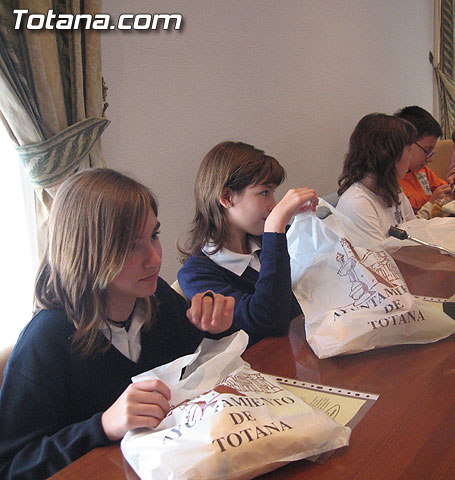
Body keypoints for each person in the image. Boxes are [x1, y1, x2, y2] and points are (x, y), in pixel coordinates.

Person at [0, 168, 234, 478]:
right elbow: (13, 466)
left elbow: (200, 376)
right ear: (87, 252)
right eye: (130, 246)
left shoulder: (155, 298)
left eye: (154, 235)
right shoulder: (46, 339)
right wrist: (101, 426)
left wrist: (218, 330)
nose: (153, 258)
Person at [178, 141, 317, 347]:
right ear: (227, 197)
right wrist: (275, 227)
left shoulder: (268, 241)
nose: (273, 205)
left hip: (305, 350)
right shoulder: (197, 275)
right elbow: (270, 322)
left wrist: (302, 229)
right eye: (264, 193)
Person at [336, 113, 417, 243]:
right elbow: (383, 258)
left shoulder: (392, 189)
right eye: (409, 150)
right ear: (389, 155)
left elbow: (416, 232)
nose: (410, 157)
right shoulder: (357, 203)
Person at [394, 106, 455, 219]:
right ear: (406, 144)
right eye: (427, 151)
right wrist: (432, 203)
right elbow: (407, 226)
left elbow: (446, 193)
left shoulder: (422, 172)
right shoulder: (393, 183)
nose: (430, 158)